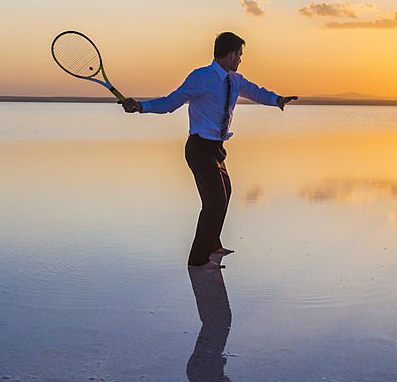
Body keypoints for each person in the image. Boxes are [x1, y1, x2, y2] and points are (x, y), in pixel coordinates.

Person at [122, 32, 298, 269]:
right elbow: (171, 102)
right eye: (240, 55)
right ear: (232, 53)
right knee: (214, 201)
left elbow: (256, 91)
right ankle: (198, 259)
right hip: (199, 148)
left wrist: (277, 99)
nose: (240, 60)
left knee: (225, 193)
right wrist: (142, 106)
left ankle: (213, 244)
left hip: (217, 149)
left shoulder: (234, 80)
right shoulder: (201, 77)